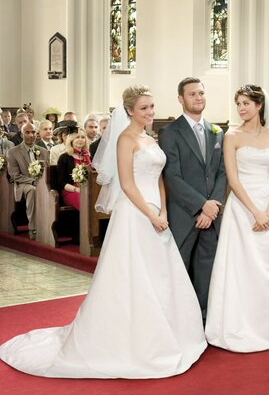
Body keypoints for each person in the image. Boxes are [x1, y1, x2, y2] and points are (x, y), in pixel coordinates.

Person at [0, 85, 207, 378]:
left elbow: (159, 178)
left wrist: (162, 210)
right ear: (130, 111)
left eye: (151, 107)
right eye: (144, 108)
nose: (150, 112)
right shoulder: (125, 139)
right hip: (135, 215)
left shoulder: (151, 137)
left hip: (156, 215)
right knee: (134, 276)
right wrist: (149, 214)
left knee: (160, 275)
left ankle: (169, 333)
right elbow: (126, 184)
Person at [205, 85, 269, 352]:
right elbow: (232, 179)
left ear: (259, 105)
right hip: (243, 208)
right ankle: (241, 324)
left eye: (246, 103)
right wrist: (255, 212)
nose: (241, 108)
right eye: (239, 104)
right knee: (242, 267)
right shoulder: (232, 135)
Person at [158, 77, 227, 323]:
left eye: (201, 93)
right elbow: (172, 176)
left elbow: (222, 172)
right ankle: (180, 322)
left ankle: (205, 322)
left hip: (212, 216)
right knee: (181, 271)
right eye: (192, 94)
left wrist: (213, 206)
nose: (198, 98)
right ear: (180, 99)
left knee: (207, 270)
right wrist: (201, 205)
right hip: (185, 215)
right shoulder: (169, 132)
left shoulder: (216, 131)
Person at [5, 123, 49, 240]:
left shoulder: (44, 151)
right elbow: (15, 176)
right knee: (33, 190)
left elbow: (47, 172)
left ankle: (50, 227)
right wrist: (34, 181)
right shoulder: (13, 152)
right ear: (21, 134)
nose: (31, 135)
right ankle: (33, 228)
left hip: (42, 184)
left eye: (33, 132)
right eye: (27, 132)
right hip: (22, 185)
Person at [56, 128, 91, 210]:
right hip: (71, 191)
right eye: (77, 137)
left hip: (87, 189)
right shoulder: (64, 157)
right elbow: (61, 182)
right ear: (71, 140)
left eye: (83, 137)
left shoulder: (87, 156)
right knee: (85, 200)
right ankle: (87, 223)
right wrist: (77, 189)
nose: (80, 139)